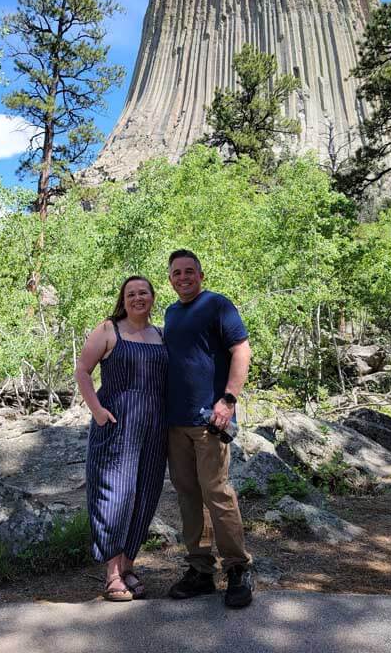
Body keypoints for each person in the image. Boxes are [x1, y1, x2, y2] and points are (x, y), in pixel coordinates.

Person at [164, 249, 253, 608]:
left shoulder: (218, 305)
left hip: (210, 420)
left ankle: (237, 569)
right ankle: (200, 570)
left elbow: (242, 350)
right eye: (176, 273)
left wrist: (228, 400)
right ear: (170, 279)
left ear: (200, 275)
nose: (183, 277)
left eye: (189, 271)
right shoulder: (171, 313)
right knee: (188, 495)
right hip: (175, 423)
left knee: (217, 492)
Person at [75, 276, 168, 601]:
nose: (138, 298)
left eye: (143, 292)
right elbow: (83, 371)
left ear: (153, 297)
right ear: (123, 299)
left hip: (155, 428)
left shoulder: (161, 335)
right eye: (131, 294)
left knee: (145, 494)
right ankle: (112, 573)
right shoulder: (108, 330)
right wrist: (98, 411)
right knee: (113, 495)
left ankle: (128, 566)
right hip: (116, 426)